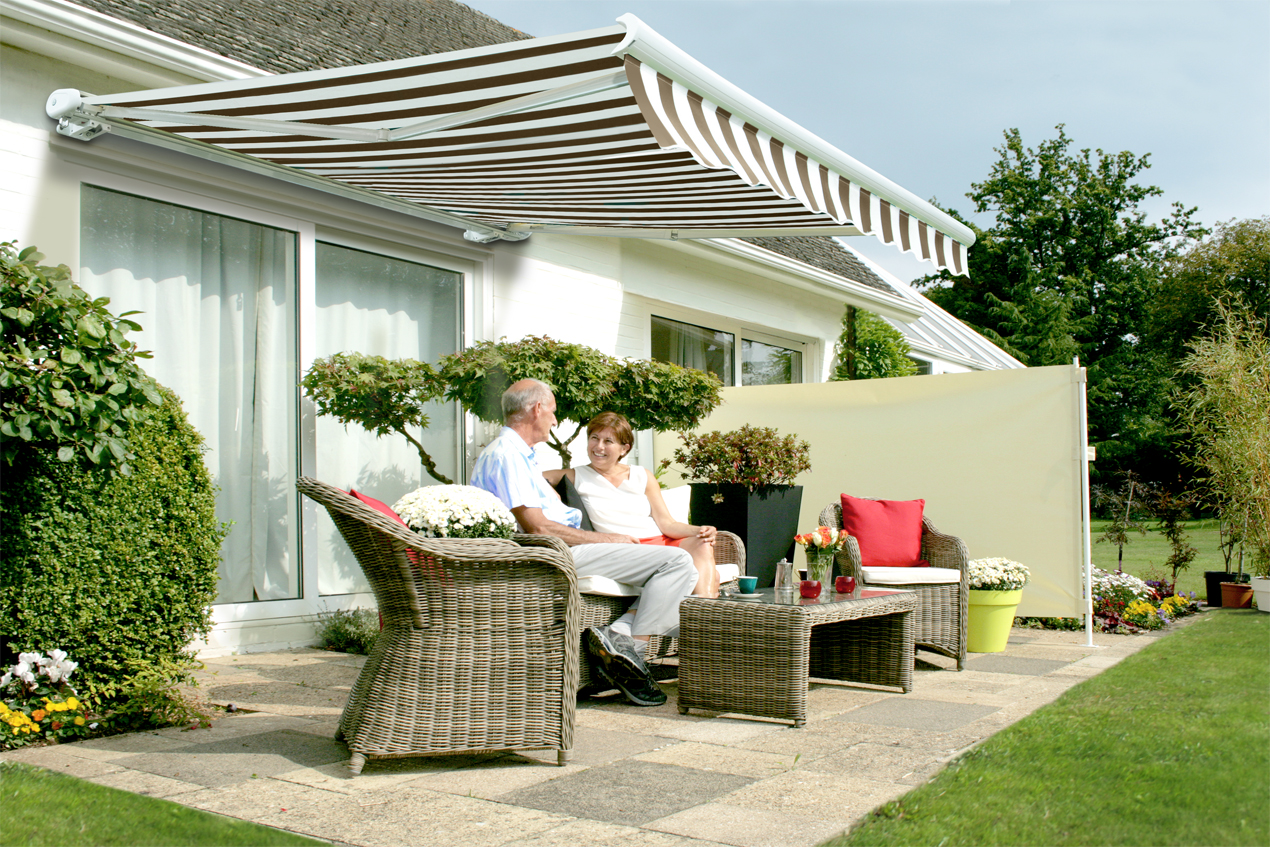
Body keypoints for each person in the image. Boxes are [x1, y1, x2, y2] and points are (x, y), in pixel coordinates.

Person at [469, 379, 698, 707]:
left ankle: (621, 639)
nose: (553, 419)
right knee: (676, 562)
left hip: (561, 547)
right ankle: (632, 651)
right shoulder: (508, 455)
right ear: (536, 410)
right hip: (552, 553)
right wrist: (607, 538)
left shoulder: (520, 455)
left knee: (684, 571)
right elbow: (536, 528)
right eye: (552, 411)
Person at [543, 412, 719, 599]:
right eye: (594, 438)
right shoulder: (576, 475)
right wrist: (548, 489)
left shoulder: (642, 475)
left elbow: (667, 523)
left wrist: (700, 531)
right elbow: (532, 477)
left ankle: (703, 611)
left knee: (703, 544)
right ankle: (703, 615)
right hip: (629, 548)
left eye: (608, 441)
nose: (598, 446)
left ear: (624, 449)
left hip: (662, 542)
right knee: (711, 577)